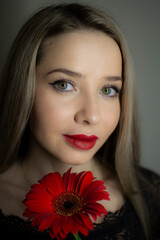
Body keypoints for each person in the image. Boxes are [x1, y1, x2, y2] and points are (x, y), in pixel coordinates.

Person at [0, 3, 159, 240]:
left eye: (108, 90)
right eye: (64, 85)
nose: (92, 116)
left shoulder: (151, 193)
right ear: (23, 87)